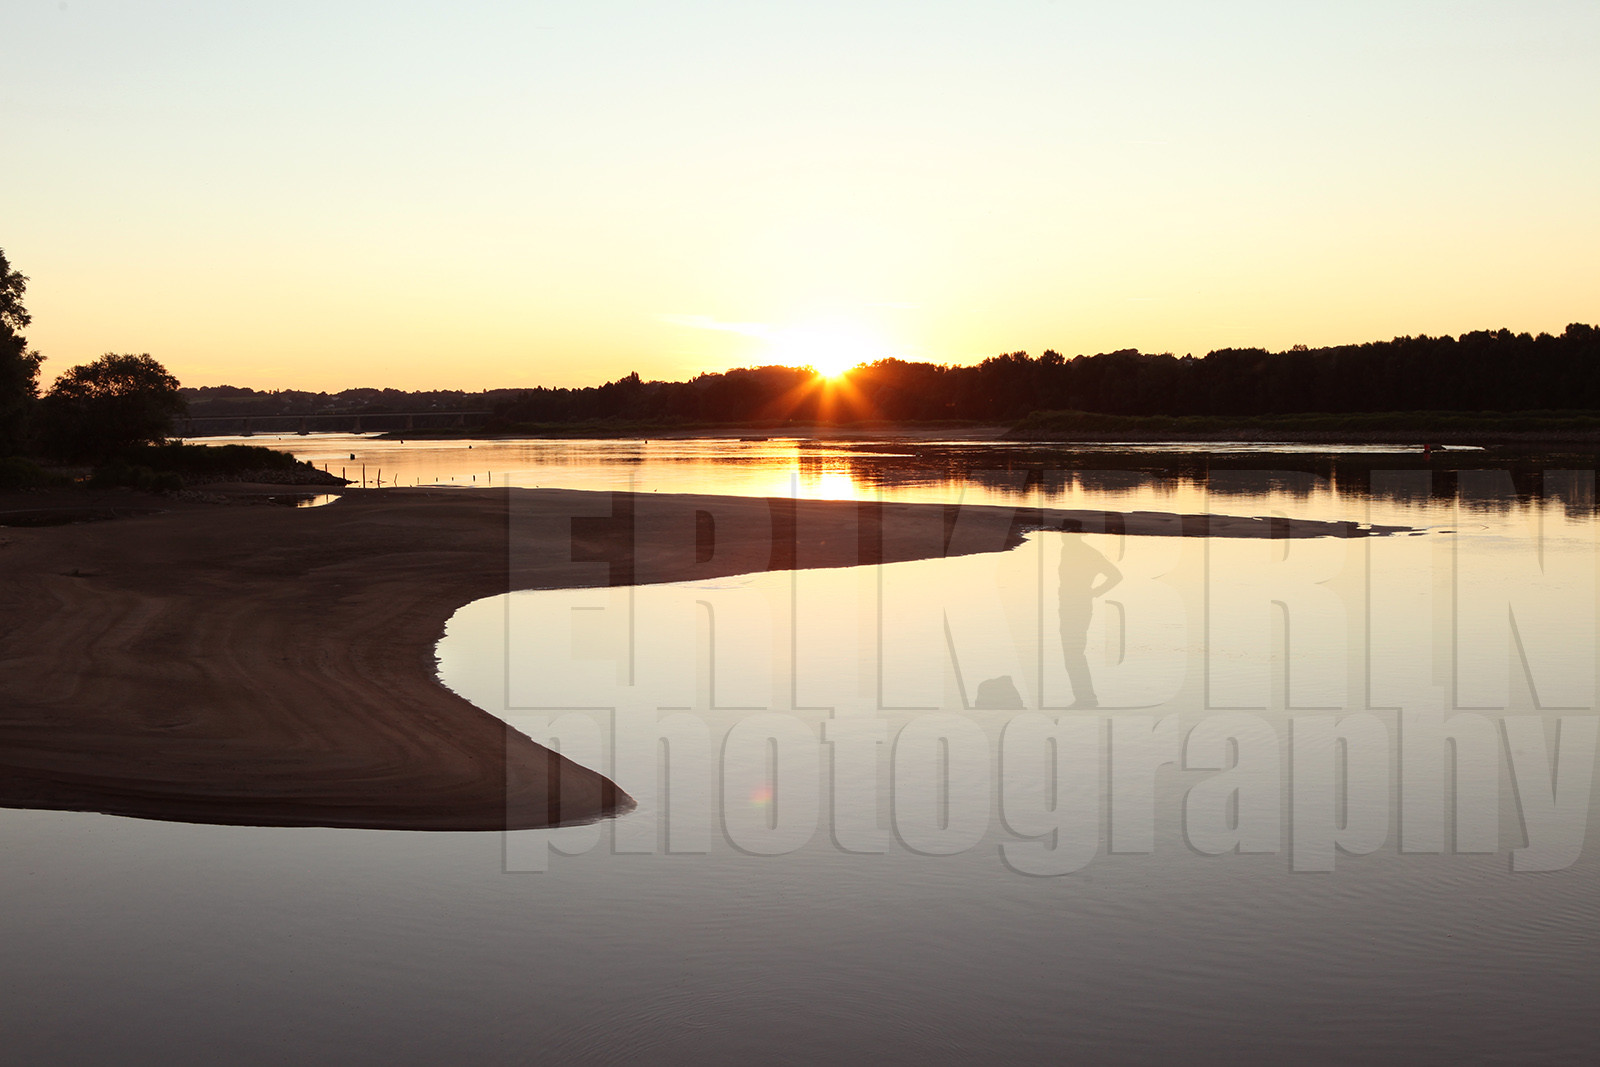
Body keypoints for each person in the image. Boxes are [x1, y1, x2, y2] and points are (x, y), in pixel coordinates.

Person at [1059, 519, 1122, 708]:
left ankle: (1086, 699)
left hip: (1079, 606)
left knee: (1074, 653)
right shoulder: (1067, 550)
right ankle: (1084, 697)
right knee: (1071, 654)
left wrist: (1095, 592)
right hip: (1067, 605)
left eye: (1065, 533)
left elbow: (1116, 575)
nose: (1062, 536)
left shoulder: (1089, 554)